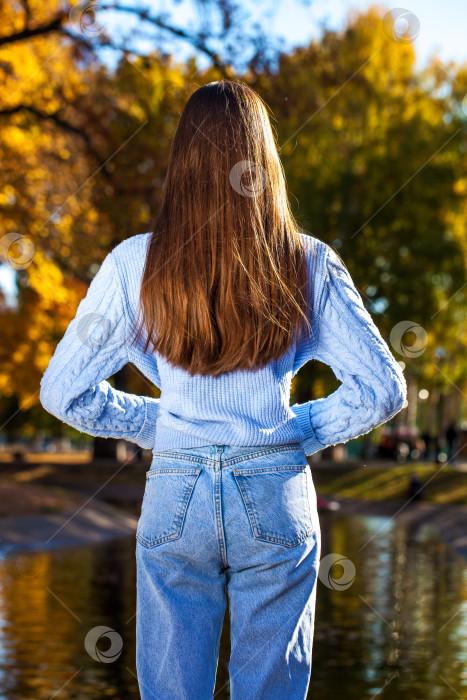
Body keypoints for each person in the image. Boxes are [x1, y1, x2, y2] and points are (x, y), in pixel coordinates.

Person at [39, 80, 407, 700]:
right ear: (265, 161)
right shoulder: (308, 262)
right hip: (276, 489)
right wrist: (297, 430)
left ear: (181, 162)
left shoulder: (134, 265)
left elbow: (62, 392)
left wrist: (164, 427)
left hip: (174, 492)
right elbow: (381, 389)